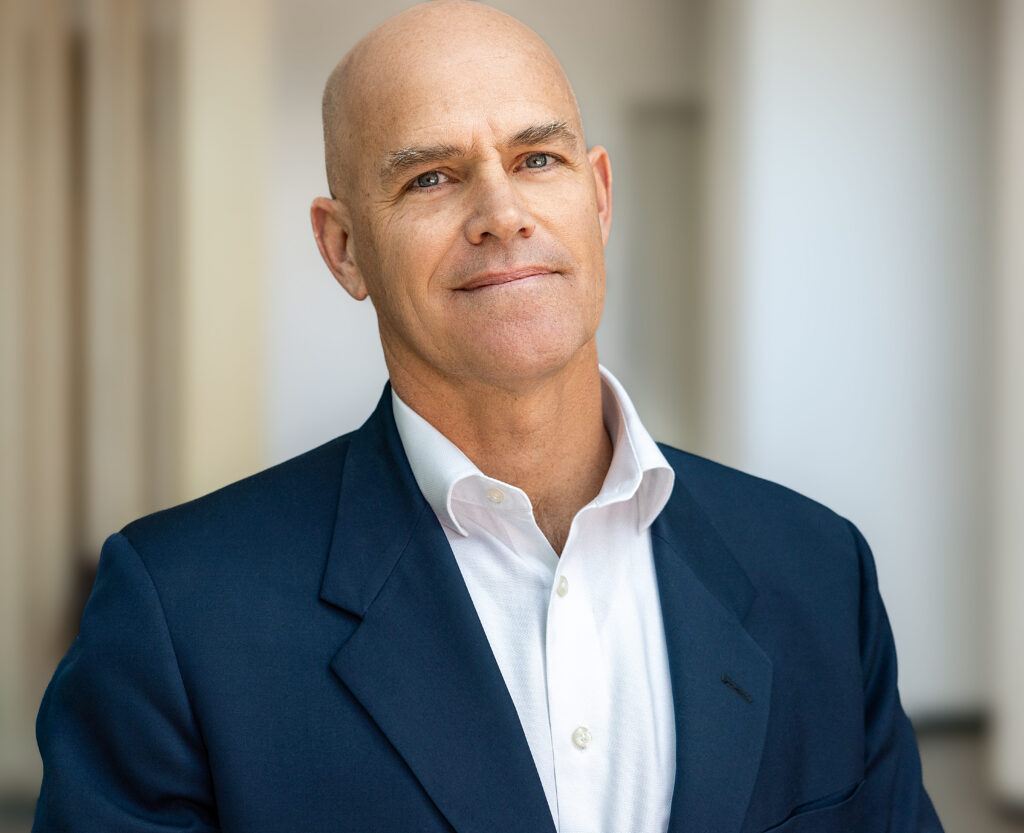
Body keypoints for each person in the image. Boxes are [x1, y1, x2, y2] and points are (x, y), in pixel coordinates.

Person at [33, 2, 943, 831]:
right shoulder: (181, 616)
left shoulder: (821, 573)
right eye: (430, 178)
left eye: (536, 159)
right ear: (344, 248)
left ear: (599, 196)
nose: (501, 214)